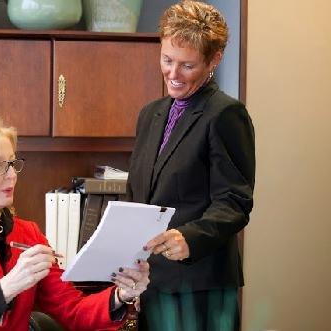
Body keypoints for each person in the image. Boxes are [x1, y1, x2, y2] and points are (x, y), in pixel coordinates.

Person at [0, 117, 150, 331]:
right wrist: (8, 287)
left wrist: (121, 294)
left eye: (13, 164)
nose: (12, 175)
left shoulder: (28, 233)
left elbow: (73, 310)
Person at [126, 1, 255, 330]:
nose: (173, 74)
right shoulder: (149, 115)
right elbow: (138, 199)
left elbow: (234, 202)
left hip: (201, 289)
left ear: (214, 60)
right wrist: (131, 270)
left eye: (187, 65)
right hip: (152, 284)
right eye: (167, 60)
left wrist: (190, 237)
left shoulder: (225, 114)